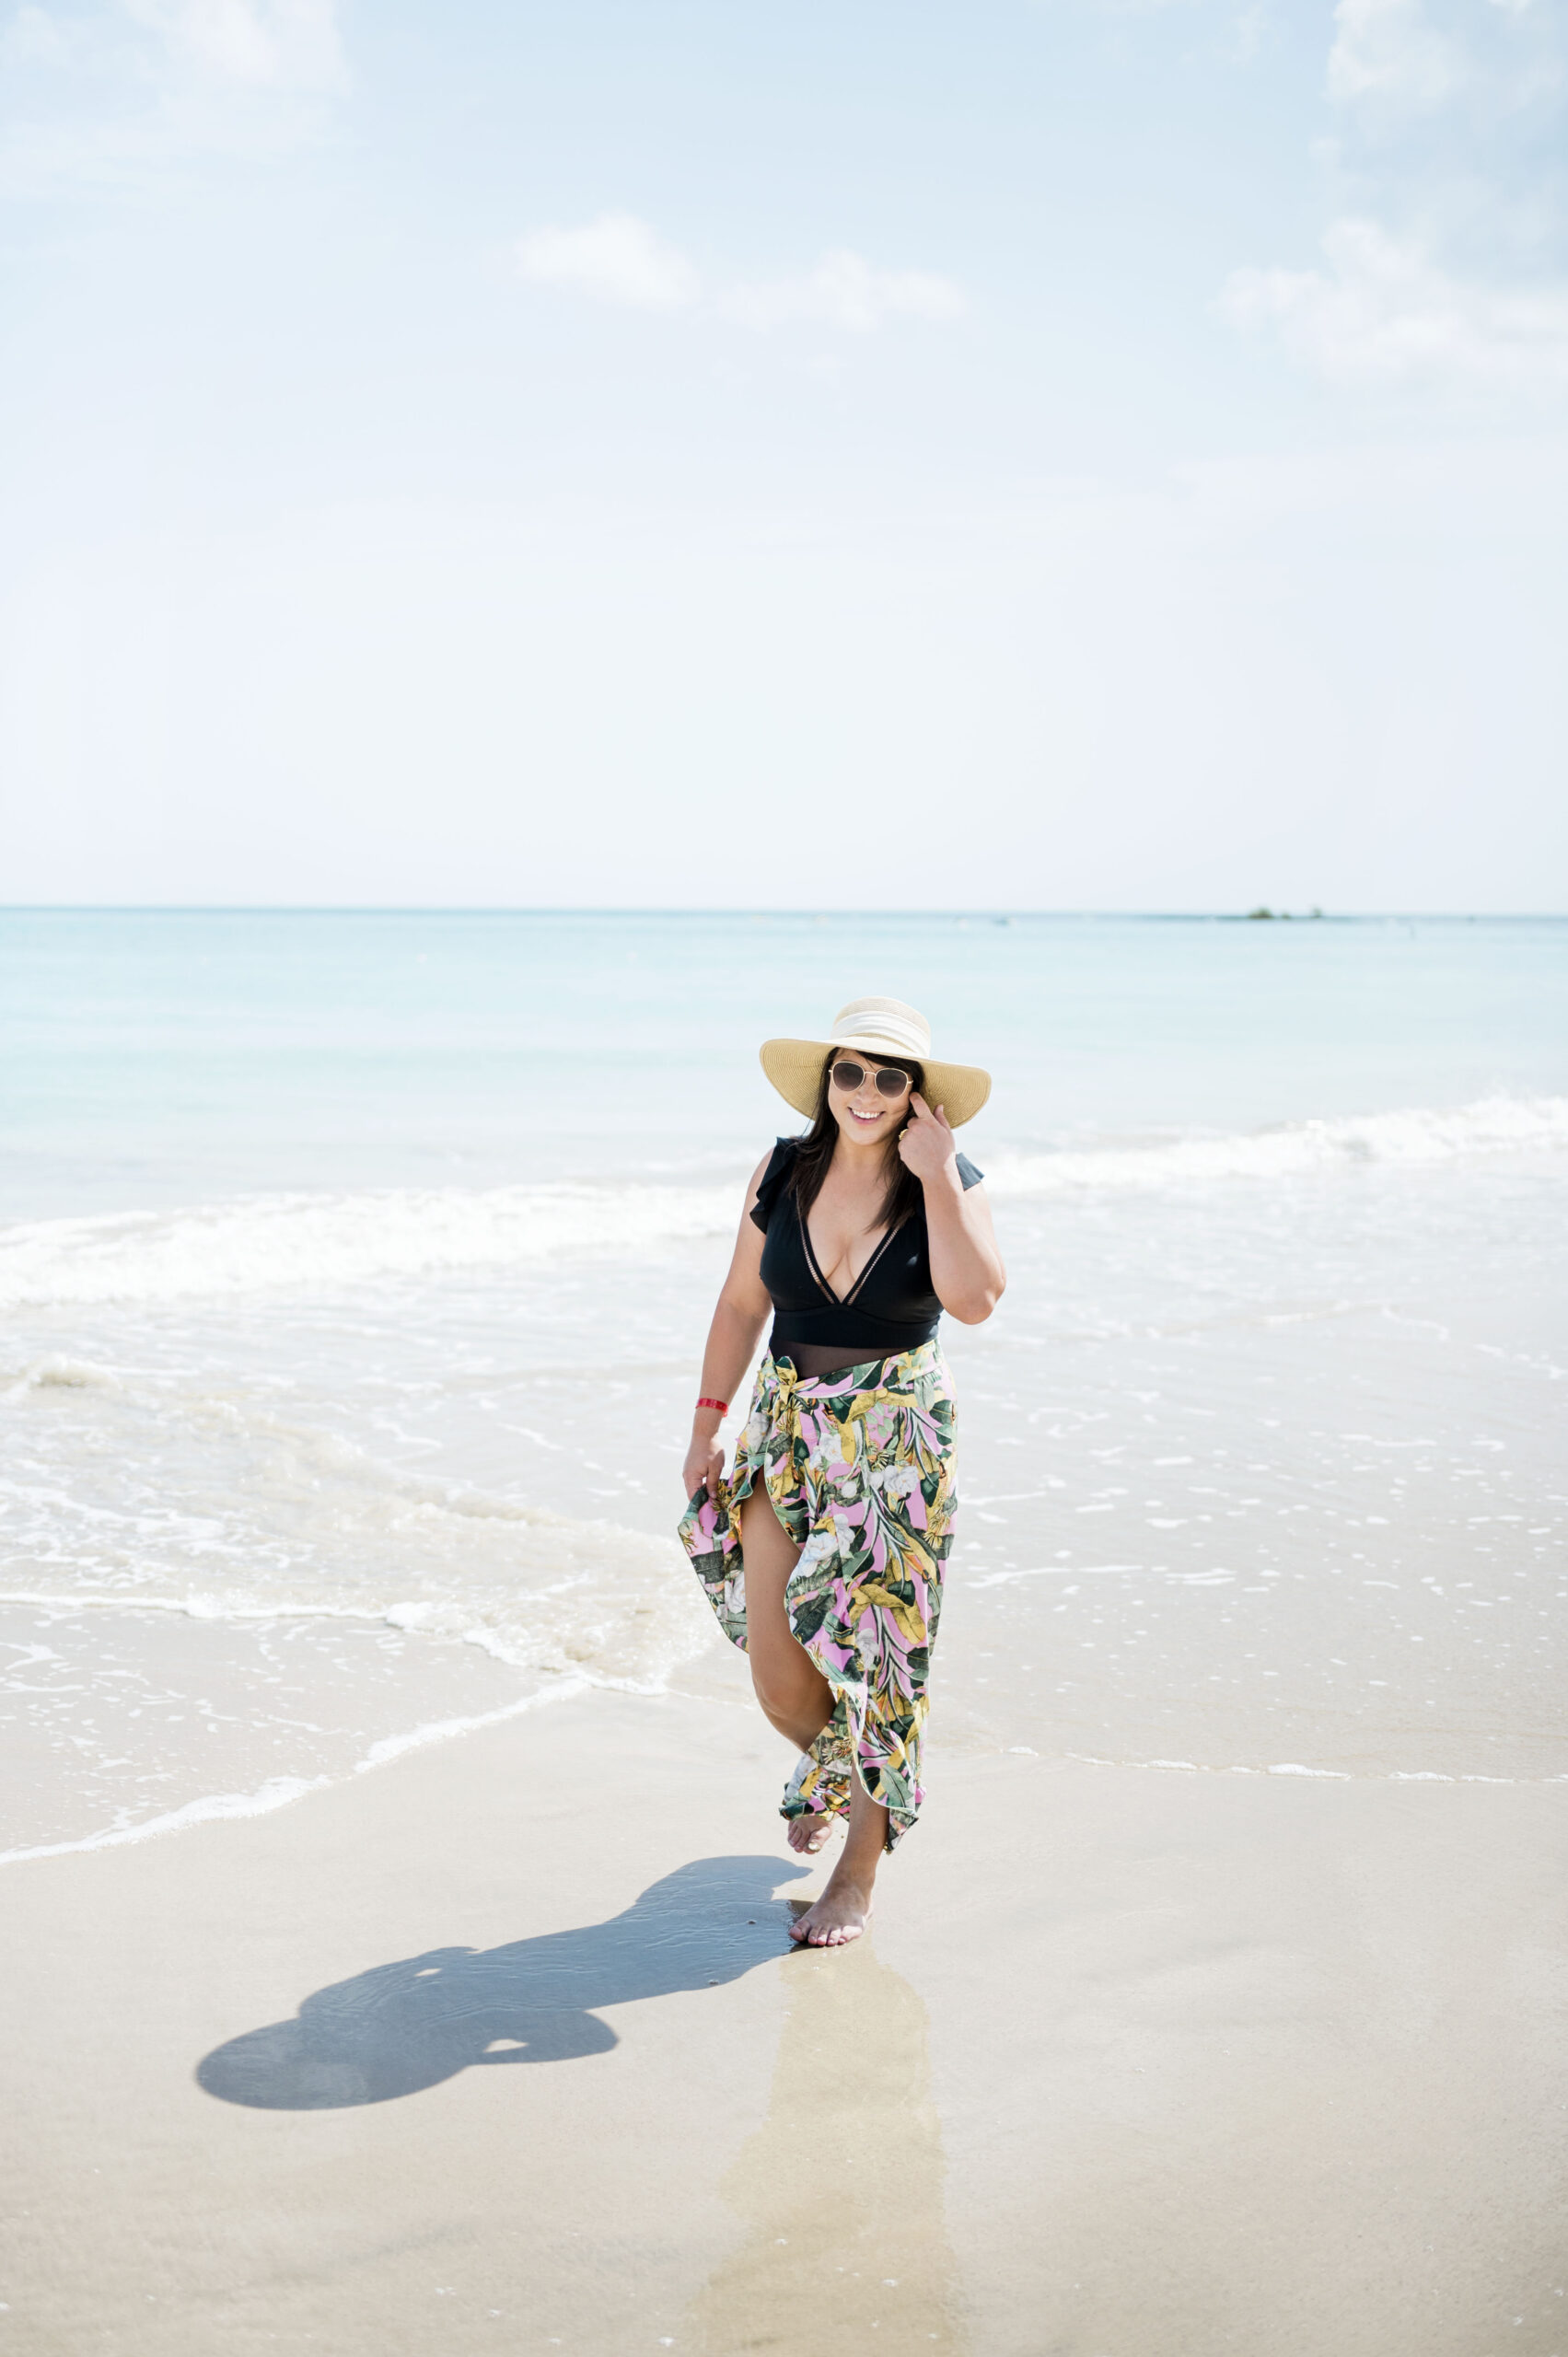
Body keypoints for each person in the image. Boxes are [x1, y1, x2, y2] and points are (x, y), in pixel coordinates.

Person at [679, 996, 1005, 1948]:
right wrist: (704, 1426)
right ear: (828, 1080)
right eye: (851, 1071)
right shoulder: (783, 1170)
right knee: (778, 1666)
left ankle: (857, 1867)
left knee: (878, 1658)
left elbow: (975, 1299)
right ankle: (838, 1770)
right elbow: (741, 1302)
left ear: (916, 1097)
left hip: (894, 1443)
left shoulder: (947, 1177)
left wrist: (939, 1177)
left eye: (889, 1077)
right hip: (784, 1429)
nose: (866, 1091)